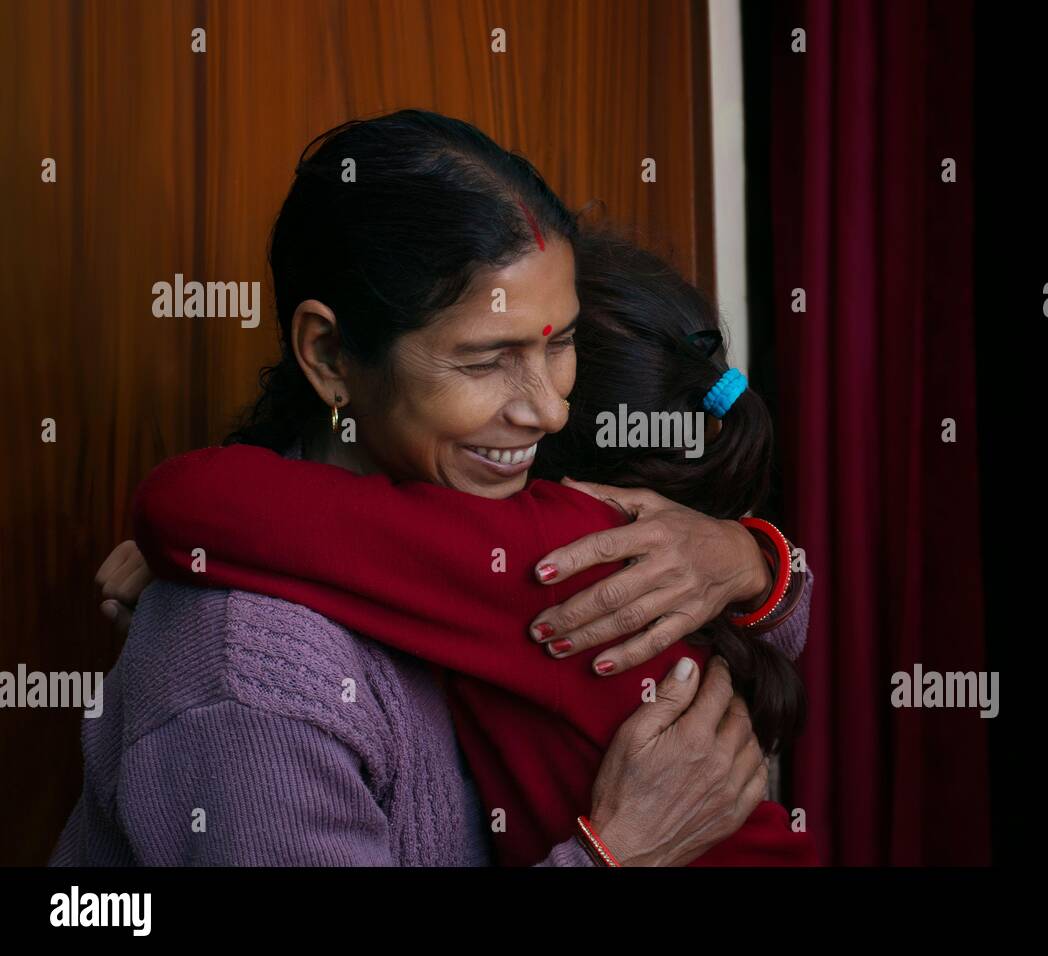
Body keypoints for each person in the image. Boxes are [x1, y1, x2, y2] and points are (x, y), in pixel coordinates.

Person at [52, 110, 810, 867]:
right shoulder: (253, 680)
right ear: (329, 354)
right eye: (485, 361)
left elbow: (200, 506)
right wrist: (618, 855)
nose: (548, 410)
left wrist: (744, 563)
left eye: (563, 341)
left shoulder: (515, 515)